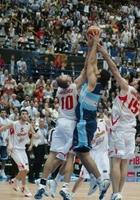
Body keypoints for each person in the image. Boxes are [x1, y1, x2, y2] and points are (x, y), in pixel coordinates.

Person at [60, 35, 111, 200]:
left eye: (96, 72)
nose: (94, 71)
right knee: (81, 153)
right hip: (87, 122)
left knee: (83, 153)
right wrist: (92, 47)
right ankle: (98, 179)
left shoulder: (92, 84)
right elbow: (91, 64)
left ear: (97, 77)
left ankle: (100, 180)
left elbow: (90, 64)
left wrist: (95, 44)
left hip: (84, 123)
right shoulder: (96, 83)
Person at [98, 45, 140, 200]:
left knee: (115, 162)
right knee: (125, 164)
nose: (134, 79)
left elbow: (114, 70)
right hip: (131, 131)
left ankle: (114, 193)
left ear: (137, 85)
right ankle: (118, 193)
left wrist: (105, 54)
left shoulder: (126, 88)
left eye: (137, 80)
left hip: (119, 129)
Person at [34, 69, 86, 200]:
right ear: (68, 81)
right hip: (71, 124)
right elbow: (85, 71)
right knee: (70, 157)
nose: (65, 74)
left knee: (52, 155)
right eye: (65, 76)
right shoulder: (74, 86)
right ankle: (65, 187)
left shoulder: (59, 91)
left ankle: (42, 183)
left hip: (60, 122)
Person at [0, 109, 39, 197]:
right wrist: (8, 144)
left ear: (28, 116)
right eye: (23, 114)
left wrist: (36, 132)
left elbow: (35, 135)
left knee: (27, 170)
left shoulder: (28, 125)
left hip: (22, 150)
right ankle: (24, 188)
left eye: (26, 114)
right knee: (23, 170)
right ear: (20, 115)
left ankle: (15, 180)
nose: (24, 115)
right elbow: (3, 129)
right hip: (14, 149)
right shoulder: (14, 124)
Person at [71, 112, 110, 197]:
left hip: (102, 154)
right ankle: (71, 194)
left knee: (105, 179)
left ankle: (101, 196)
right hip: (92, 154)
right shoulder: (90, 127)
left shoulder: (102, 121)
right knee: (82, 176)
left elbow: (108, 122)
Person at [0, 109, 12, 179]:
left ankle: (2, 171)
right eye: (2, 112)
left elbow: (11, 129)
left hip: (5, 142)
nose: (3, 113)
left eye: (4, 112)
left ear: (6, 114)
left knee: (4, 158)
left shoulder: (9, 121)